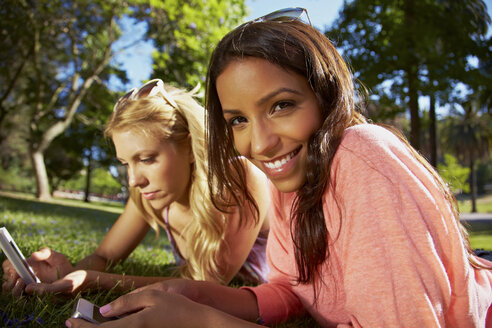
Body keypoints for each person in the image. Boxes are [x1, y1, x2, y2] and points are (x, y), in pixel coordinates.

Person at [65, 7, 492, 328]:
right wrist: (193, 294)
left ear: (325, 95)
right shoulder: (291, 178)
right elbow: (291, 291)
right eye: (238, 120)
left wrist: (207, 323)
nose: (260, 143)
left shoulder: (362, 156)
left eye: (281, 105)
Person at [2, 79, 270, 297]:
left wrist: (95, 281)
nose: (134, 180)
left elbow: (207, 285)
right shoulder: (149, 193)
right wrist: (64, 272)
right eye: (125, 163)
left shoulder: (237, 178)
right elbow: (105, 255)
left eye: (146, 159)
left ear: (189, 147)